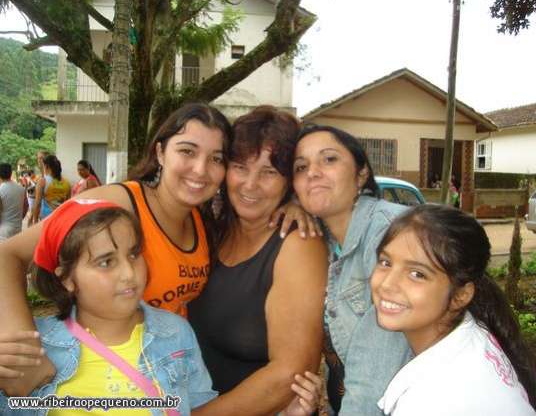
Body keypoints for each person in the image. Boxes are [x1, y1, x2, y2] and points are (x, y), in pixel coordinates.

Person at [0, 103, 318, 404]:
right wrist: (24, 352)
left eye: (216, 158)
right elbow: (8, 254)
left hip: (171, 379)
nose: (200, 169)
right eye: (187, 151)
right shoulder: (120, 204)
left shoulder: (206, 221)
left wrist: (295, 203)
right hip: (97, 378)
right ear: (161, 152)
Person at [0, 199, 216, 415]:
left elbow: (200, 407)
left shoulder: (177, 333)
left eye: (134, 254)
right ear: (67, 278)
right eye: (106, 262)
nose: (129, 273)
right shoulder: (31, 350)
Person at [189, 107, 327, 414]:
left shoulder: (298, 244)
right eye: (240, 167)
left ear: (289, 181)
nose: (250, 184)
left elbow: (289, 375)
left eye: (269, 172)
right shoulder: (211, 229)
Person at [371, 204, 536, 416]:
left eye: (417, 274)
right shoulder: (472, 333)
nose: (387, 284)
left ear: (460, 295)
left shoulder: (431, 401)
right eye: (385, 262)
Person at [292, 125, 412, 415]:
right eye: (301, 167)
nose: (312, 172)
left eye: (329, 159)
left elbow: (375, 378)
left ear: (361, 174)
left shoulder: (390, 232)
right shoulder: (322, 241)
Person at [31, 155, 71, 224]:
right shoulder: (67, 183)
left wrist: (35, 221)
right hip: (62, 218)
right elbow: (68, 204)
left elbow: (37, 204)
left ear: (46, 166)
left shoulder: (42, 181)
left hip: (47, 219)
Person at [0, 164, 28, 241]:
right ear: (11, 173)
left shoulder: (1, 190)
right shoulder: (21, 189)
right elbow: (26, 206)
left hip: (3, 233)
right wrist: (19, 219)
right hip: (17, 229)